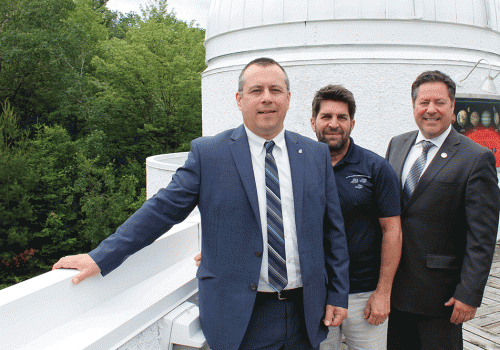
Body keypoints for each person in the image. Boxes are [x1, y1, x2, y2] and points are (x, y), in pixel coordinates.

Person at [52, 57, 350, 350]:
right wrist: (100, 257)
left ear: (288, 97)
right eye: (256, 91)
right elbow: (162, 209)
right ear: (239, 99)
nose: (266, 99)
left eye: (275, 90)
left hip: (305, 312)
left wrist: (338, 293)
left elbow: (332, 230)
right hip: (240, 316)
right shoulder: (209, 154)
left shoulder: (314, 154)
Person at [385, 70, 500, 349]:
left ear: (452, 107)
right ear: (414, 107)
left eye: (440, 102)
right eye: (423, 103)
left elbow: (482, 236)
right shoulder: (397, 144)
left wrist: (469, 293)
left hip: (441, 295)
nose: (431, 110)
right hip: (394, 291)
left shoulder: (476, 157)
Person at [310, 85, 402, 349]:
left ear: (352, 123)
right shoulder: (301, 168)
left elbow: (392, 231)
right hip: (317, 292)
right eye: (326, 116)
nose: (333, 124)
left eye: (341, 117)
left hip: (364, 293)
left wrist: (383, 292)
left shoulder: (376, 168)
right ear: (313, 121)